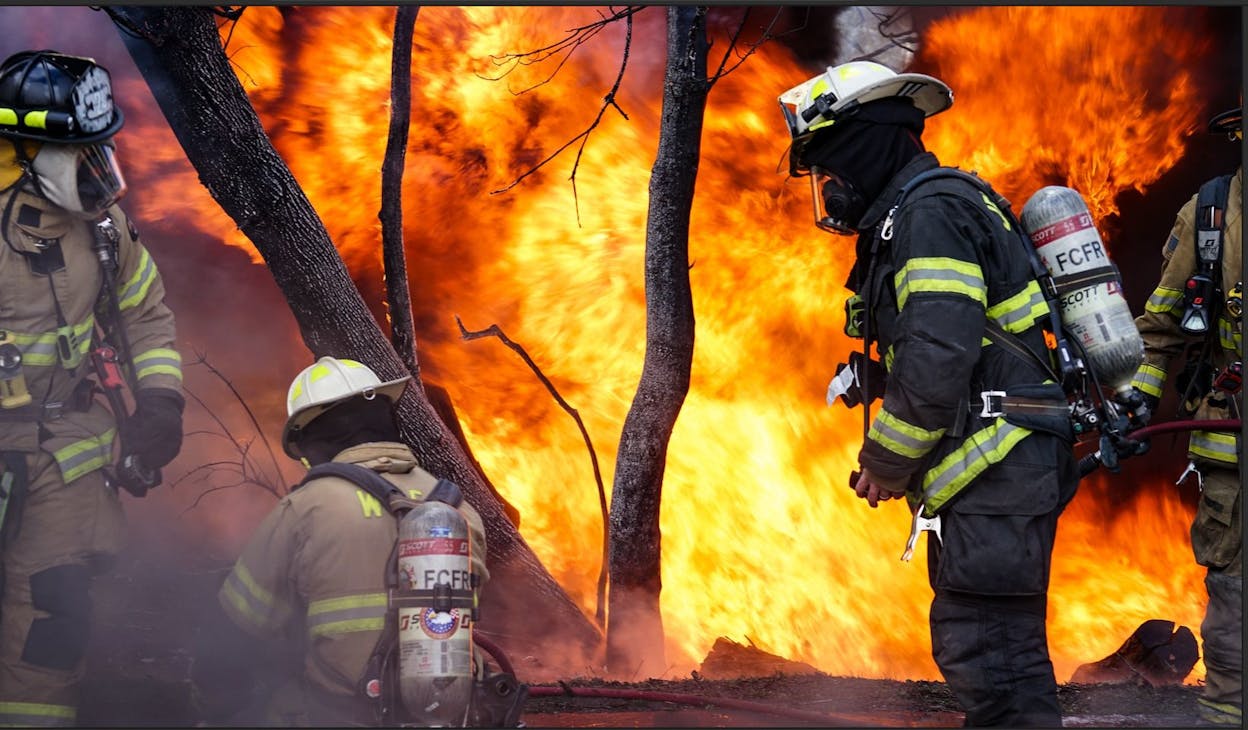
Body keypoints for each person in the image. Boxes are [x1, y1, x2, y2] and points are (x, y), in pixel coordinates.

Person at [779, 61, 1082, 726]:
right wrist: (880, 379)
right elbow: (963, 347)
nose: (830, 192)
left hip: (996, 474)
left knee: (994, 659)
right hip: (994, 473)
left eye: (833, 169)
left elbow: (940, 360)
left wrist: (886, 464)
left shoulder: (929, 217)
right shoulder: (933, 209)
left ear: (868, 147)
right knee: (992, 650)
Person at [0, 50, 183, 726]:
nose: (95, 168)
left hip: (63, 461)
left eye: (98, 149)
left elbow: (145, 313)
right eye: (76, 153)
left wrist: (162, 402)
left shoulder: (102, 229)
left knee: (54, 618)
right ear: (23, 150)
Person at [191, 356, 492, 727]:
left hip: (340, 714)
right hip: (451, 712)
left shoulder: (307, 508)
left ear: (313, 437)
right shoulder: (459, 509)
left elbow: (238, 630)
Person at [1129, 106, 1241, 726]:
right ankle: (1227, 715)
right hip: (1231, 440)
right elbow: (1162, 322)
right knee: (1233, 590)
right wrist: (1140, 398)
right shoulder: (1211, 215)